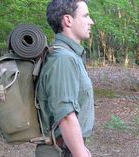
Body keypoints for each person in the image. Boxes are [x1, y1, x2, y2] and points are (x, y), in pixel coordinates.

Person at [35, 0, 95, 157]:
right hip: (61, 151)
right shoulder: (63, 59)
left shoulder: (69, 56)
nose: (91, 22)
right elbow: (66, 116)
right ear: (68, 20)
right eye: (86, 16)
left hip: (68, 148)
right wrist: (80, 153)